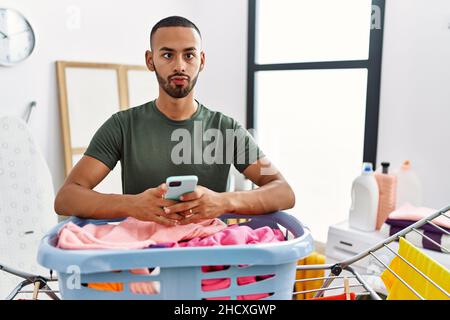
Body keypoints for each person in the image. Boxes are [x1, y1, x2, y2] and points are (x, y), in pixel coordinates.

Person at [54, 16, 295, 226]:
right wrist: (133, 205)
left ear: (201, 60)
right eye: (168, 54)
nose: (179, 65)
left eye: (189, 55)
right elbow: (67, 198)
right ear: (150, 61)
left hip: (208, 260)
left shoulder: (226, 129)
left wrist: (222, 201)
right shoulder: (122, 126)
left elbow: (283, 192)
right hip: (142, 259)